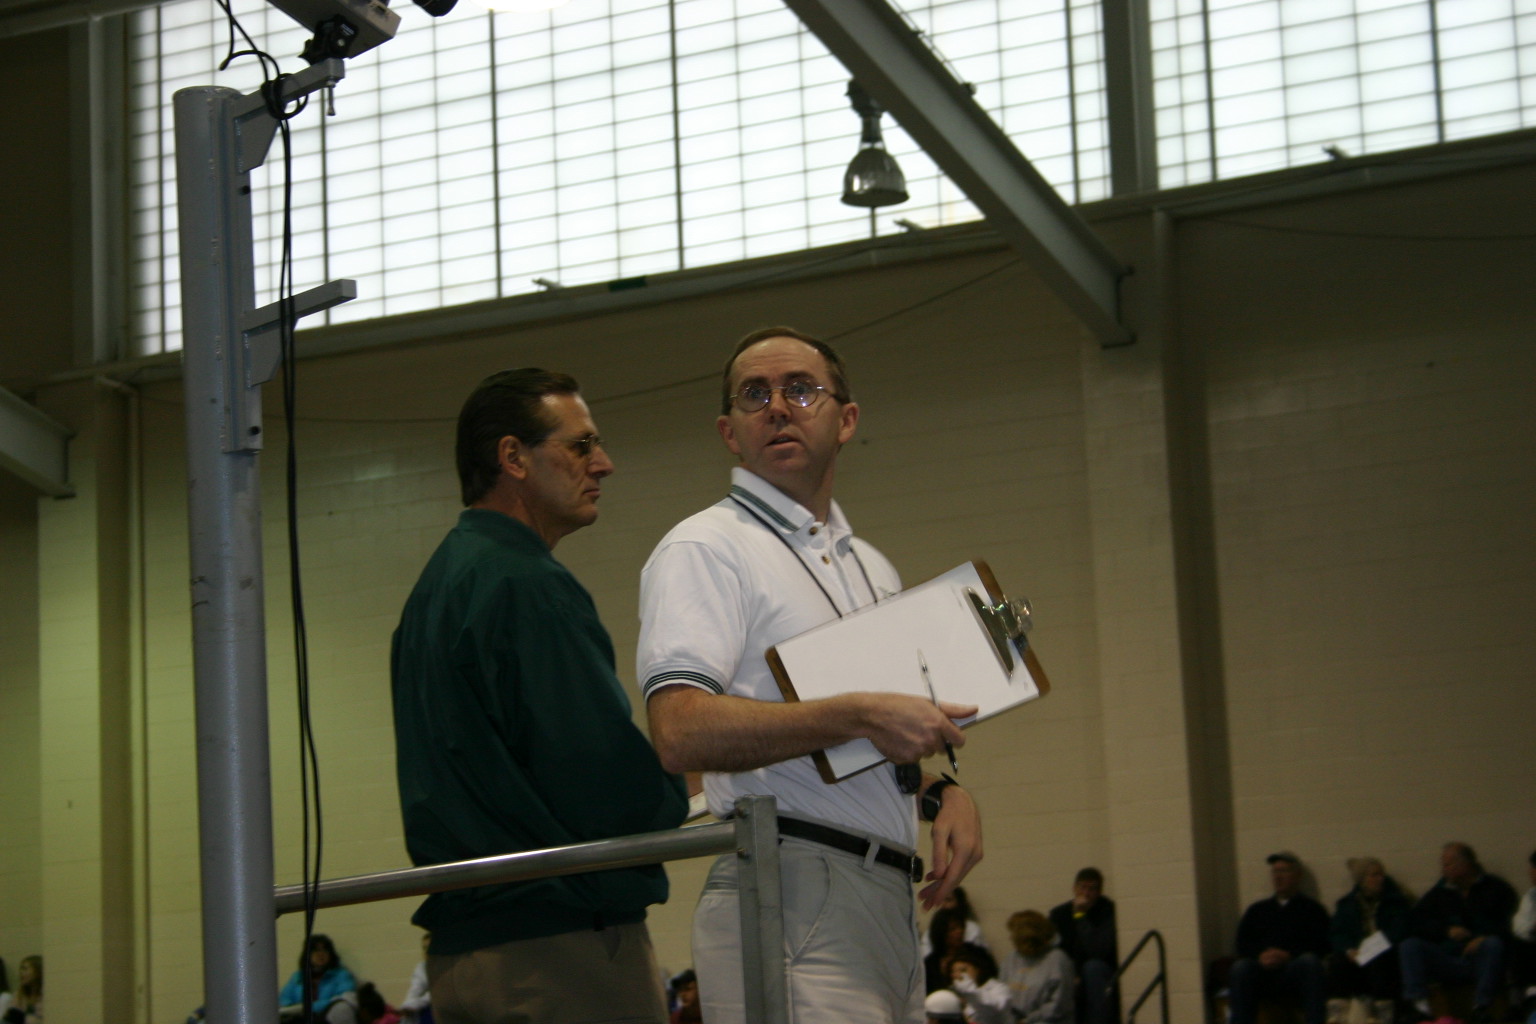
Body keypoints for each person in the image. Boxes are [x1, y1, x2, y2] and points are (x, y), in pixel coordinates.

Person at [638, 327, 984, 1024]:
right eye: (754, 394)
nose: (777, 407)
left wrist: (939, 793)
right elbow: (679, 731)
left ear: (846, 419)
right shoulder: (706, 547)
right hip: (790, 885)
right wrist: (857, 713)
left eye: (800, 390)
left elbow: (855, 748)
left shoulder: (871, 566)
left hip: (886, 891)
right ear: (729, 433)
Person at [391, 368, 690, 1024]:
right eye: (581, 445)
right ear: (513, 457)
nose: (603, 464)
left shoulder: (436, 590)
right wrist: (690, 775)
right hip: (556, 953)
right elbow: (602, 782)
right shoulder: (526, 584)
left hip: (468, 954)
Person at [1398, 842, 1517, 1024]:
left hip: (1480, 957)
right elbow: (1415, 921)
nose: (1444, 870)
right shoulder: (1440, 892)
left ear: (1465, 864)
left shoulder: (1496, 889)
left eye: (1448, 864)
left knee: (1493, 944)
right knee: (1410, 945)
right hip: (1448, 957)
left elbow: (1510, 923)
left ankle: (1481, 1008)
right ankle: (1420, 1007)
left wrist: (1483, 938)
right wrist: (1445, 931)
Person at [1228, 852, 1330, 1024]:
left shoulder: (1312, 909)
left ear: (1297, 875)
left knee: (1310, 962)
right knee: (1240, 968)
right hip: (1261, 971)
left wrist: (1288, 955)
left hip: (1294, 970)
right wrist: (1260, 955)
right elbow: (1242, 943)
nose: (1278, 877)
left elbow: (1322, 944)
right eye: (1275, 872)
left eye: (1284, 871)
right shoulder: (1257, 910)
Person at [1327, 857, 1410, 1020]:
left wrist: (1371, 947)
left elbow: (1399, 931)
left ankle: (1383, 1014)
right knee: (1337, 961)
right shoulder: (1347, 905)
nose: (1380, 879)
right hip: (1357, 957)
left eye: (1381, 874)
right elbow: (1337, 933)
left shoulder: (1395, 902)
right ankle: (1338, 1014)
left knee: (1379, 960)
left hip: (1385, 955)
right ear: (1362, 880)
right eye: (1374, 875)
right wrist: (1348, 950)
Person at [1050, 867, 1120, 1024]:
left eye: (1092, 889)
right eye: (1082, 887)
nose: (1086, 893)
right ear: (1074, 888)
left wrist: (1080, 915)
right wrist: (1071, 973)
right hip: (1070, 969)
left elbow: (1098, 951)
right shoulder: (1059, 914)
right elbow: (1054, 950)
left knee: (1092, 968)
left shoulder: (1108, 910)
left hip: (1101, 970)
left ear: (1099, 892)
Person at [1001, 910, 1075, 1024]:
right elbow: (1002, 994)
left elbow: (1059, 1005)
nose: (1010, 938)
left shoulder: (1057, 960)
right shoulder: (1011, 959)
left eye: (1013, 934)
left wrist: (1027, 1020)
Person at [279, 935, 358, 1024]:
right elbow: (284, 1000)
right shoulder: (298, 976)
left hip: (326, 1018)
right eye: (316, 950)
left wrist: (307, 1008)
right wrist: (292, 1009)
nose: (321, 954)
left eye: (325, 950)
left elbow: (344, 999)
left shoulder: (341, 975)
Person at [926, 907, 999, 994]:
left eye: (961, 927)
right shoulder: (930, 964)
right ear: (941, 933)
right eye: (953, 929)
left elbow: (992, 978)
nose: (959, 931)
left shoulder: (978, 954)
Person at [950, 948, 1015, 1024]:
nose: (958, 975)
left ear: (977, 970)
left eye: (963, 970)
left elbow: (994, 1009)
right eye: (954, 971)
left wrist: (970, 990)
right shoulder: (953, 992)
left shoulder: (999, 989)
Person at [922, 887, 990, 958]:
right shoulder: (929, 933)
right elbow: (926, 958)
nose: (943, 904)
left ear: (959, 902)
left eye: (948, 900)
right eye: (940, 900)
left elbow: (982, 958)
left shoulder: (972, 929)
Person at [1511, 849, 1536, 1016]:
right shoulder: (1531, 896)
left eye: (1533, 868)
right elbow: (1518, 926)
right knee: (1518, 943)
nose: (1530, 873)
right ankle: (1524, 996)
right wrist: (1532, 928)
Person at [397, 933, 431, 1024]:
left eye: (430, 948)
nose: (426, 952)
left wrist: (414, 1005)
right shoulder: (421, 968)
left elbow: (435, 993)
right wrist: (406, 1006)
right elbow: (414, 990)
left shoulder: (448, 969)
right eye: (424, 948)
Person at [5, 956, 41, 1024]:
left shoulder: (46, 994)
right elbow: (10, 1018)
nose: (21, 973)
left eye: (25, 969)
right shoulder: (19, 994)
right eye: (21, 969)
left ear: (37, 971)